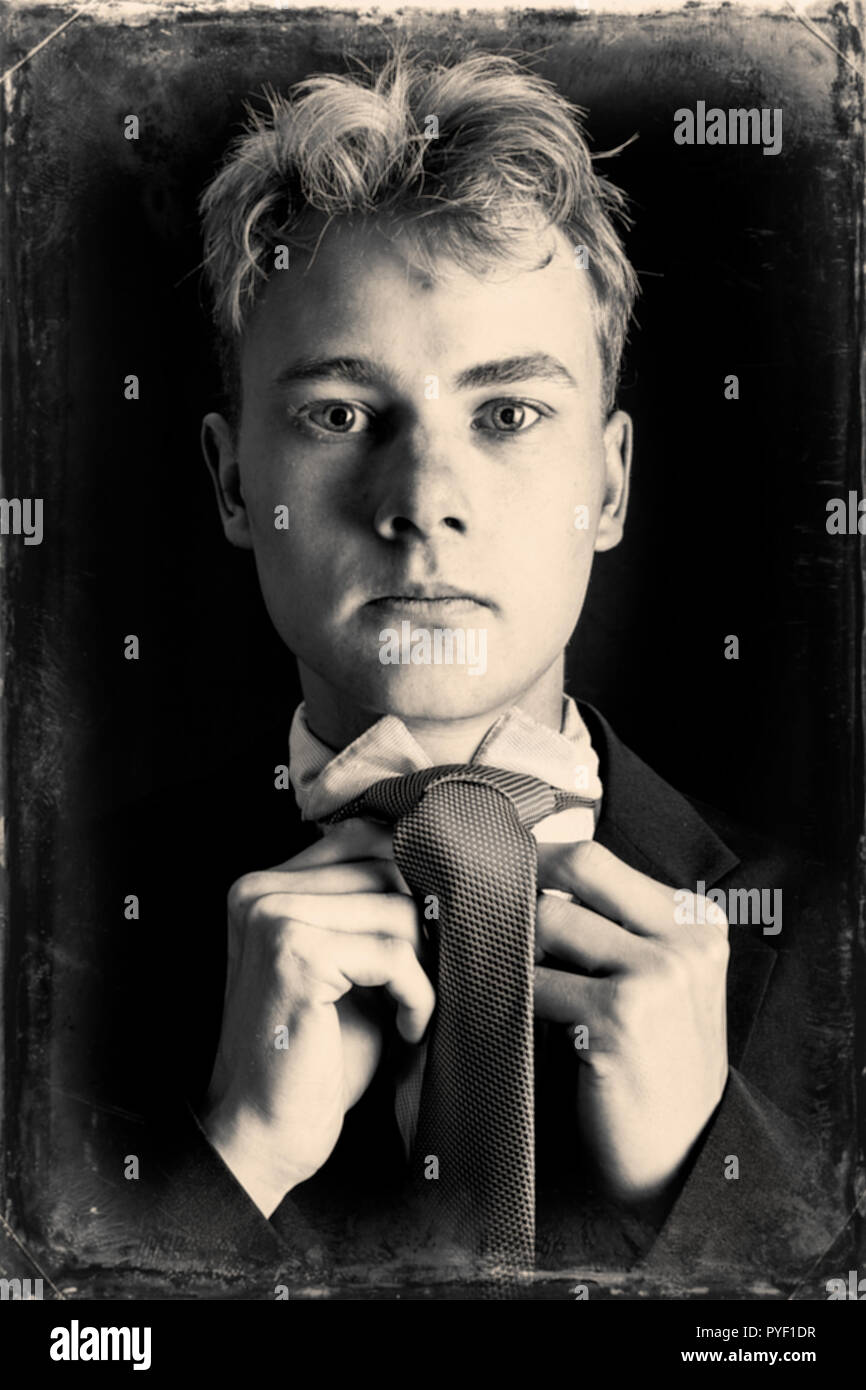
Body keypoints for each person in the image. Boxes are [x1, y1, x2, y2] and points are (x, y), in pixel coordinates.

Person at [105, 49, 842, 1295]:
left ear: (606, 484)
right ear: (235, 483)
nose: (421, 504)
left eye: (506, 415)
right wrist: (224, 1167)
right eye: (341, 412)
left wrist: (711, 1192)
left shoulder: (840, 947)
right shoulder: (51, 932)